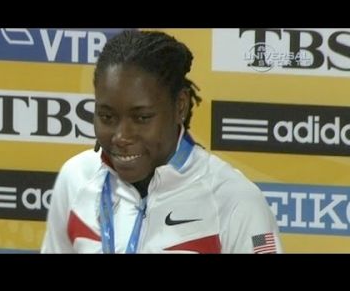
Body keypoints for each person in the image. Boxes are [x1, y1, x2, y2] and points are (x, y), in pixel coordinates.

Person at [41, 30, 283, 253]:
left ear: (180, 106)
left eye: (142, 117)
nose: (121, 136)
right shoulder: (75, 178)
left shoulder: (237, 201)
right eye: (107, 117)